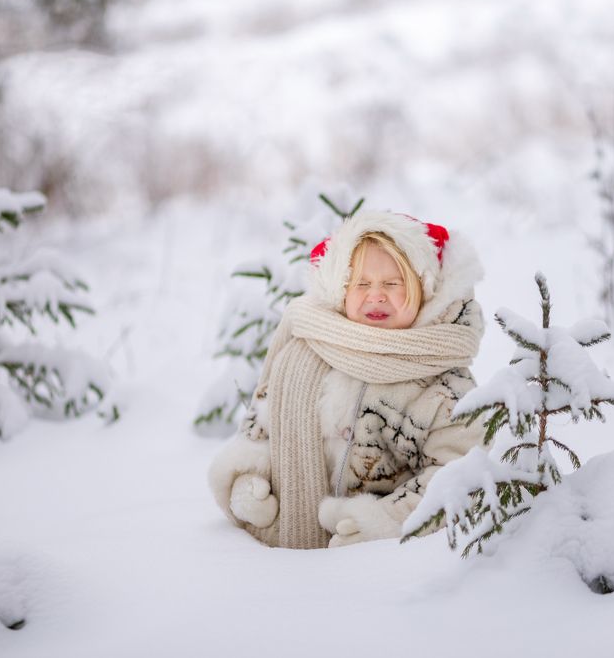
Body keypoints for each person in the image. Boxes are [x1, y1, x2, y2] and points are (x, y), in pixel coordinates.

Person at [208, 210, 485, 549]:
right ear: (341, 289)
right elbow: (262, 426)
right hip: (278, 561)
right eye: (362, 284)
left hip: (377, 567)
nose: (376, 295)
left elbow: (459, 472)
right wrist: (246, 481)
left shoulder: (442, 381)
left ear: (424, 289)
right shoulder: (306, 353)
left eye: (393, 283)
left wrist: (383, 522)